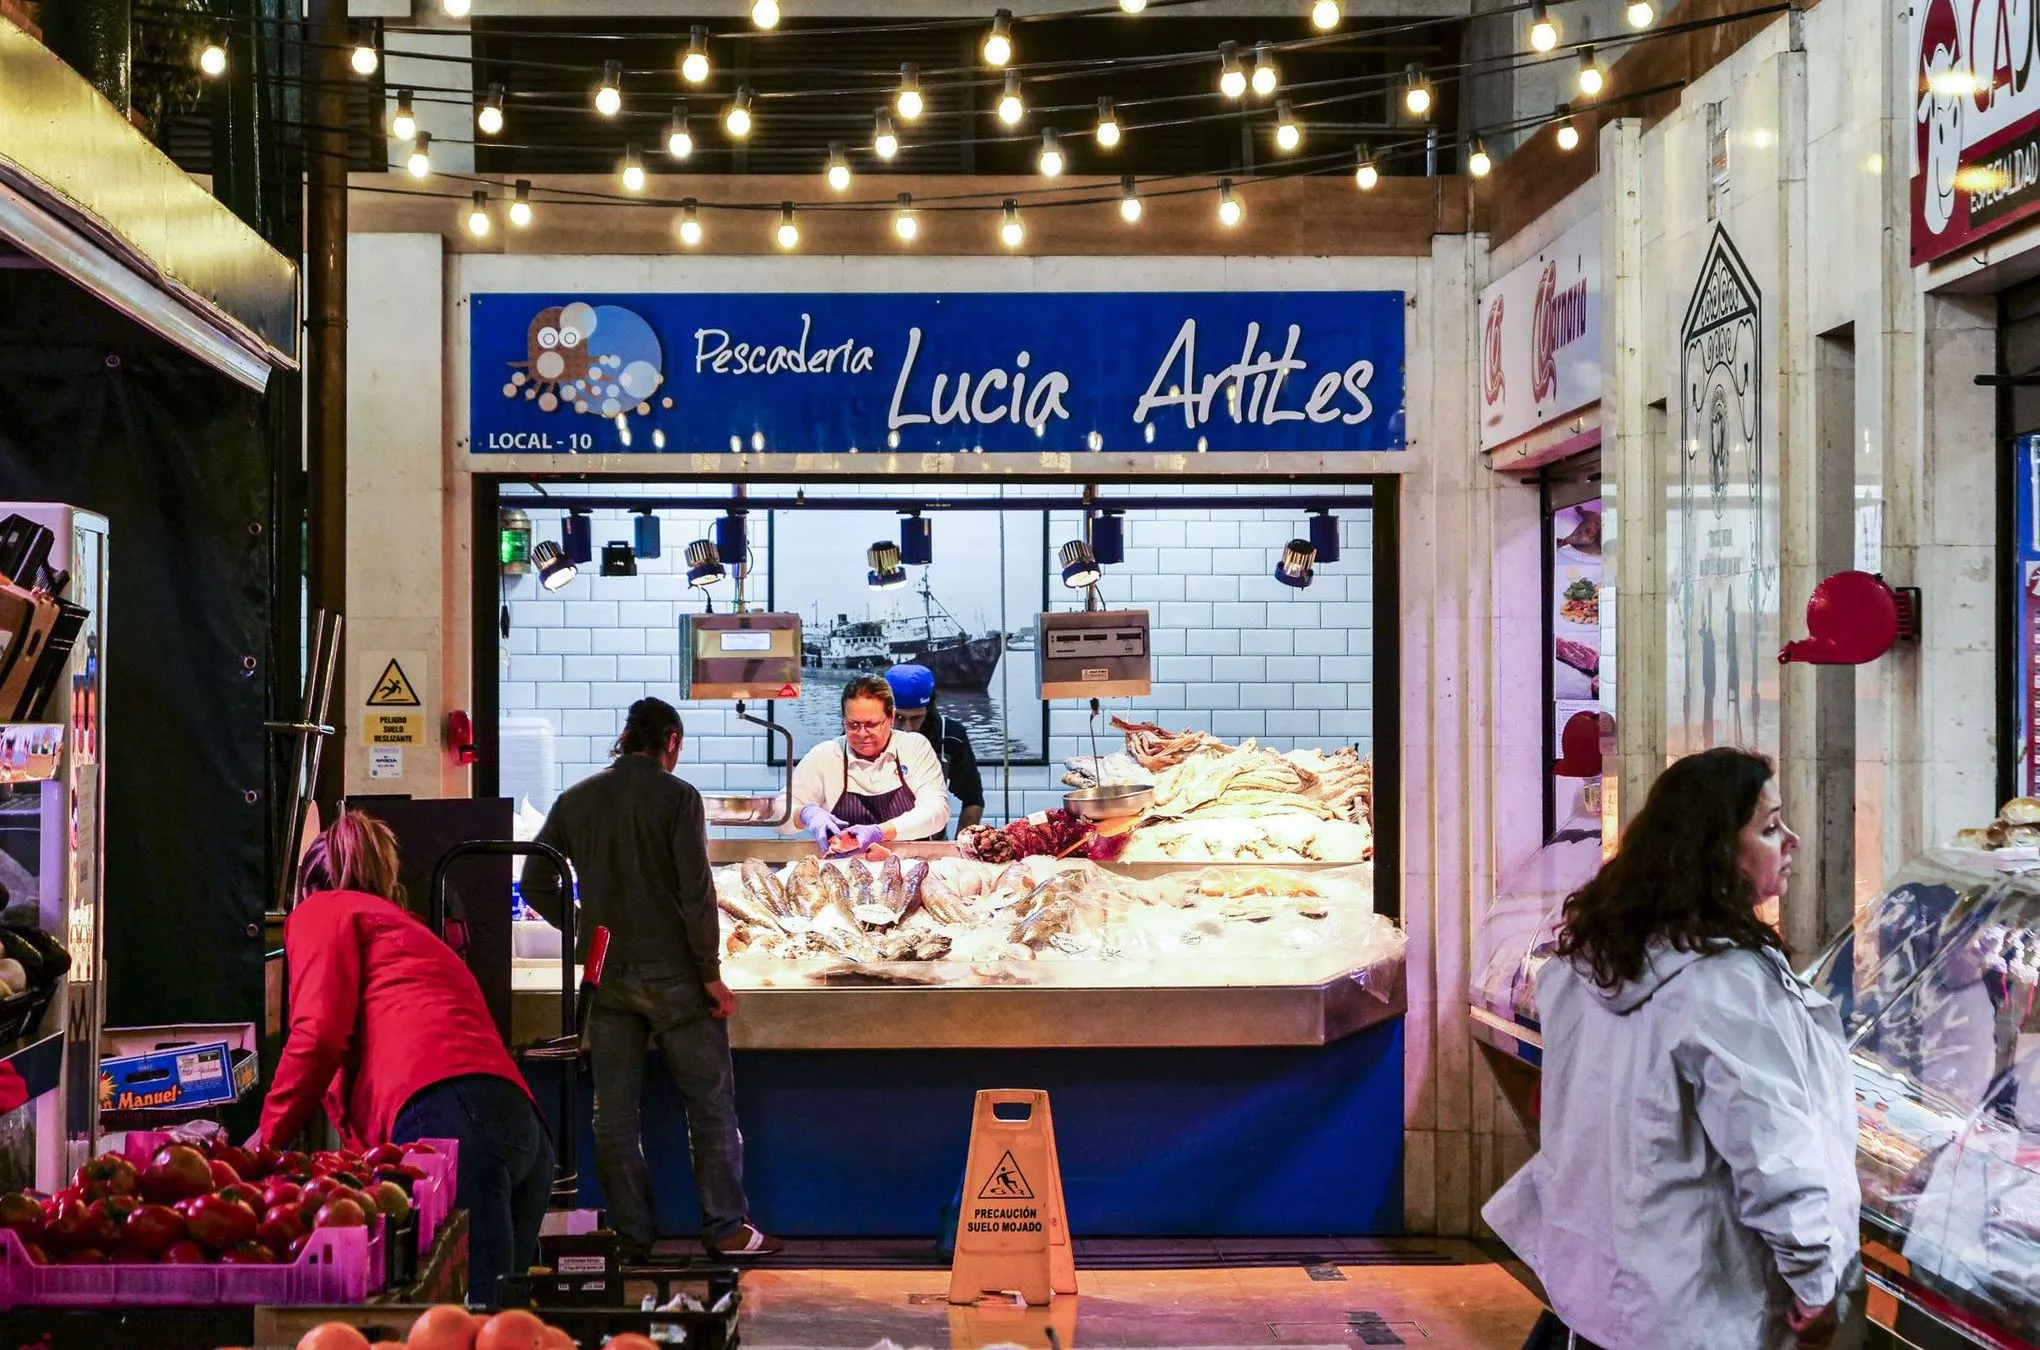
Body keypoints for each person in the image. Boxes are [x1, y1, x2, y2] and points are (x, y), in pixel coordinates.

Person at [1484, 748, 1863, 1350]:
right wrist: (1816, 1280)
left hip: (1607, 1302)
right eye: (1768, 828)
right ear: (1715, 852)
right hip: (1702, 1310)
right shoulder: (1727, 986)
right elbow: (1772, 1152)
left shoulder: (1588, 966)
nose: (1790, 840)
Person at [253, 812, 553, 1304]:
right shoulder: (411, 933)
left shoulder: (321, 911)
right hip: (522, 1130)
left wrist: (264, 1144)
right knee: (502, 1328)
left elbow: (319, 1035)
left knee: (453, 1327)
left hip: (451, 1124)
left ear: (309, 886)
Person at [521, 697, 781, 1261]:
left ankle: (632, 1238)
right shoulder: (679, 797)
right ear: (669, 742)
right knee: (709, 1107)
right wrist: (711, 975)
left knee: (612, 1116)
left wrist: (582, 929)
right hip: (677, 980)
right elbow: (696, 893)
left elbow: (534, 876)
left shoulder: (577, 799)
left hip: (607, 977)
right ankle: (725, 1230)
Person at [787, 673, 951, 852]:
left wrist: (880, 831)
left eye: (872, 724)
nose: (862, 734)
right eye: (853, 725)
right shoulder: (825, 755)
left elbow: (936, 811)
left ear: (891, 717)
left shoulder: (914, 747)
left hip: (911, 863)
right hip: (846, 868)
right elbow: (779, 814)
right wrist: (804, 814)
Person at [885, 663, 985, 835]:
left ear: (928, 709)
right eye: (899, 718)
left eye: (916, 718)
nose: (907, 728)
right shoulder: (865, 734)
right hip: (875, 843)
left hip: (931, 844)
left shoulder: (951, 736)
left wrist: (961, 850)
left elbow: (972, 798)